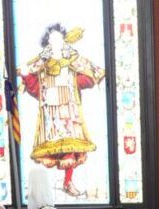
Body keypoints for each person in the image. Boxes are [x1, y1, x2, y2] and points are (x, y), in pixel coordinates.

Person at [20, 23, 107, 198]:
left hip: (69, 111)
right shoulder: (41, 66)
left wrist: (79, 77)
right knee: (50, 151)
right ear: (48, 42)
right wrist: (26, 75)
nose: (56, 41)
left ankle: (68, 182)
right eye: (52, 38)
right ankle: (41, 188)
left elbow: (88, 79)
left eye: (59, 37)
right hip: (50, 114)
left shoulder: (73, 61)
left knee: (71, 149)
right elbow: (35, 89)